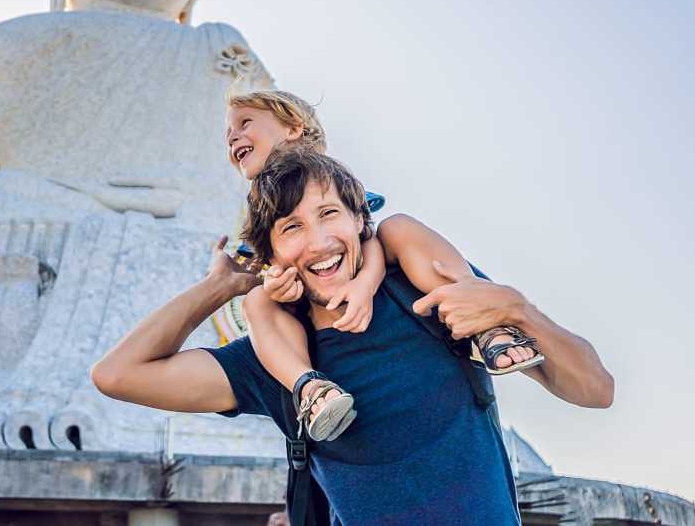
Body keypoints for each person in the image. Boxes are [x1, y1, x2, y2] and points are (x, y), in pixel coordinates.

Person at [91, 148, 614, 526]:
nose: (318, 242)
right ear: (272, 256)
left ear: (361, 221)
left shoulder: (424, 294)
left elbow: (595, 389)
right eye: (291, 228)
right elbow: (118, 374)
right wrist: (220, 286)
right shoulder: (275, 362)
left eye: (328, 214)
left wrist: (521, 310)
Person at [224, 91, 542, 441]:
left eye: (244, 123)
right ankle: (308, 387)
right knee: (256, 302)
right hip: (314, 295)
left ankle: (482, 319)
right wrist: (274, 285)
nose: (233, 137)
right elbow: (266, 264)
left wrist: (366, 283)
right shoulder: (261, 202)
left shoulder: (327, 179)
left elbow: (371, 237)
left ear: (293, 127)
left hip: (365, 266)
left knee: (399, 229)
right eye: (228, 133)